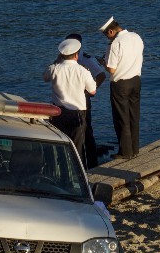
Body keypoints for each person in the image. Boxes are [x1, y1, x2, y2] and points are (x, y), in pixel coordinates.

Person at [43, 39, 97, 162]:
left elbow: (45, 77)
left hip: (58, 112)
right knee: (78, 147)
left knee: (60, 144)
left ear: (61, 55)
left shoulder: (54, 68)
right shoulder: (83, 71)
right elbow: (93, 90)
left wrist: (56, 61)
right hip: (77, 112)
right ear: (77, 55)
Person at [101, 17, 144, 159]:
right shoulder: (136, 37)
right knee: (134, 115)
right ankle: (135, 149)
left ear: (111, 31)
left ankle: (125, 152)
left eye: (107, 35)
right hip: (136, 80)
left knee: (121, 117)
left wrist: (102, 62)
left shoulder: (115, 44)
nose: (107, 38)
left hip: (120, 84)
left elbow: (112, 69)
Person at [65, 32, 106, 169]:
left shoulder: (87, 59)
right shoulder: (63, 60)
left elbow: (101, 75)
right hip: (68, 99)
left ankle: (91, 162)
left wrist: (90, 92)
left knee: (86, 130)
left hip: (82, 99)